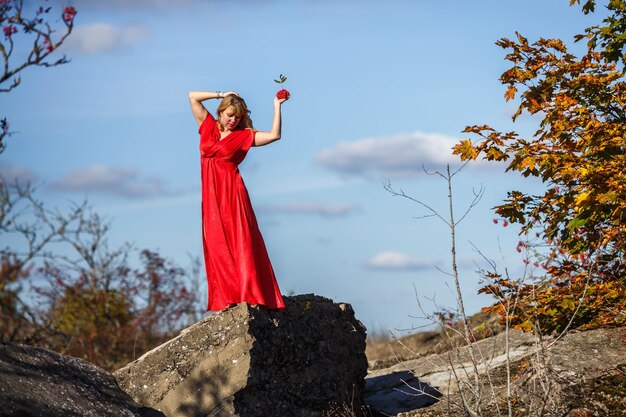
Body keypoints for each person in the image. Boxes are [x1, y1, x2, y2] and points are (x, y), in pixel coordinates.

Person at [188, 89, 288, 311]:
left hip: (232, 194)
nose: (233, 120)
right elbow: (192, 96)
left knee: (240, 242)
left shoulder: (244, 136)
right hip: (211, 197)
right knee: (216, 245)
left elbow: (274, 135)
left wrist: (276, 106)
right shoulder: (207, 125)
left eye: (237, 117)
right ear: (221, 112)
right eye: (230, 115)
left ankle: (246, 294)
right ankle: (226, 297)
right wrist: (220, 93)